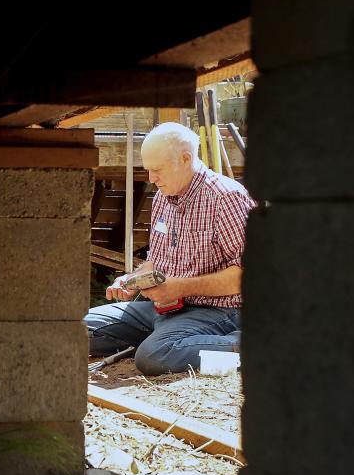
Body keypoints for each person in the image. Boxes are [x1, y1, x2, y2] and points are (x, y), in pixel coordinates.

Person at [85, 122, 256, 375]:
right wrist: (131, 280)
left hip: (221, 311)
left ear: (185, 159)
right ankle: (176, 340)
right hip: (167, 308)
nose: (151, 179)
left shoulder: (226, 198)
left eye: (157, 170)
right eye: (148, 170)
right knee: (78, 329)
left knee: (155, 356)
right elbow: (156, 261)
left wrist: (179, 287)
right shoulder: (164, 198)